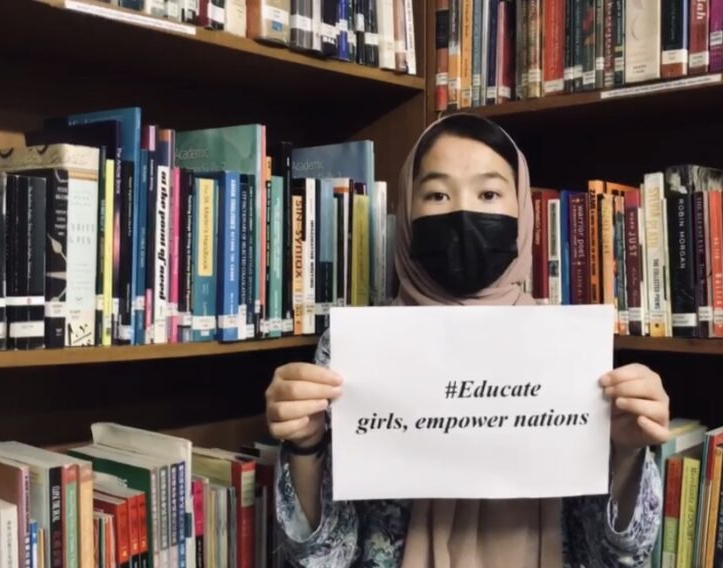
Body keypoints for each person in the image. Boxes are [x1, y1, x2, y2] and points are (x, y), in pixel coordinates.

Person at [265, 113, 671, 567]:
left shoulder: (568, 348)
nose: (463, 212)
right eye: (437, 194)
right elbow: (322, 560)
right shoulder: (350, 350)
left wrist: (627, 453)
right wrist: (306, 447)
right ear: (407, 210)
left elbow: (621, 558)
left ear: (522, 210)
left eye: (490, 193)